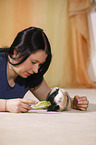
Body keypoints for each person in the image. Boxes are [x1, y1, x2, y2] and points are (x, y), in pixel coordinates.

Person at [0, 27, 89, 113]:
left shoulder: (31, 74)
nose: (36, 70)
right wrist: (6, 105)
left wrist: (74, 103)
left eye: (40, 65)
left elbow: (50, 98)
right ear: (16, 52)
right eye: (33, 62)